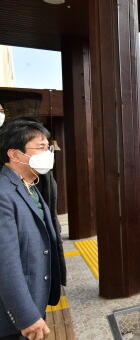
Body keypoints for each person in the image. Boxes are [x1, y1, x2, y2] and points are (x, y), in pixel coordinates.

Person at [0, 119, 61, 340]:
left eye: (48, 148)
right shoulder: (3, 194)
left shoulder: (31, 185)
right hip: (15, 315)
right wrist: (25, 316)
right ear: (15, 155)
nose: (48, 153)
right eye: (41, 147)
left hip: (35, 298)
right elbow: (5, 262)